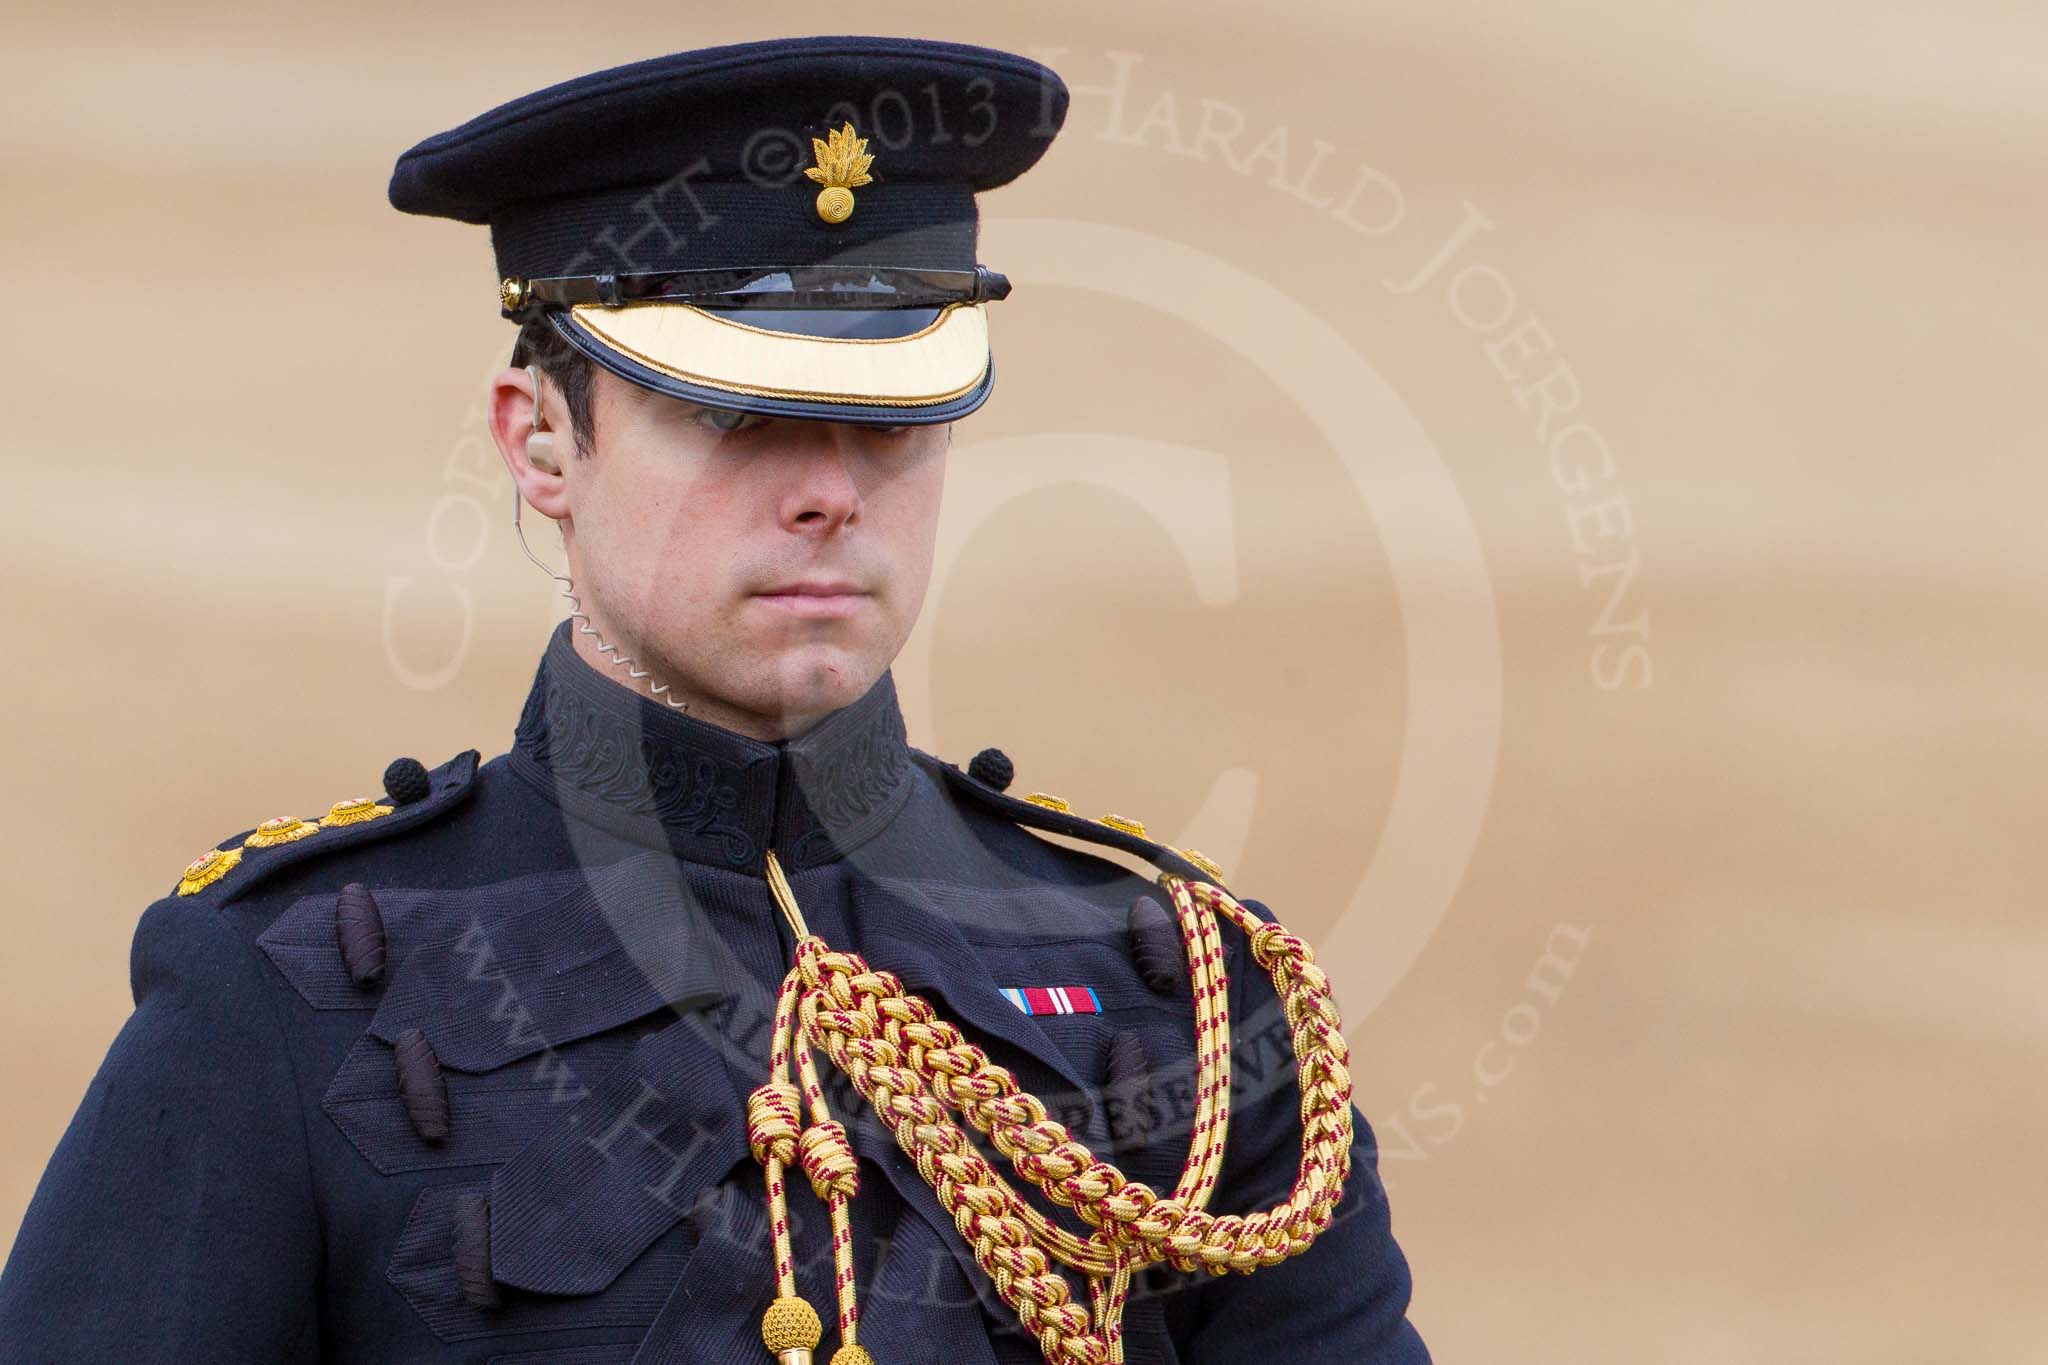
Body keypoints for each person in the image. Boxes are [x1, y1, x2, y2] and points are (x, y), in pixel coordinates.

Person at [0, 35, 1431, 1365]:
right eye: (735, 419)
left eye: (894, 421)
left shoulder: (1181, 998)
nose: (829, 491)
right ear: (542, 443)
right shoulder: (288, 996)